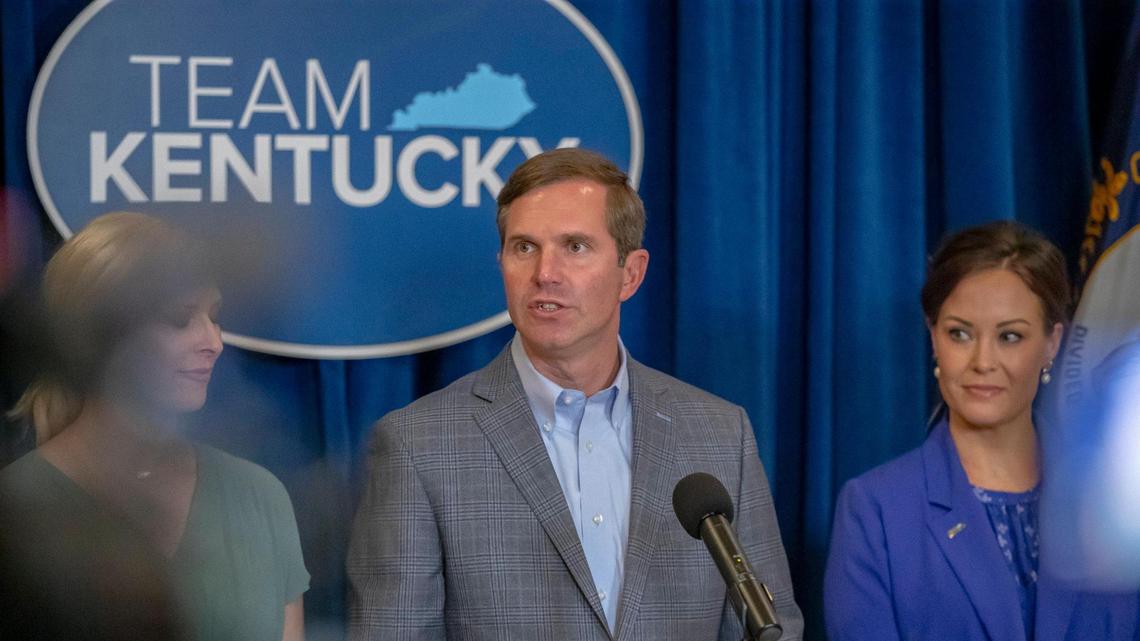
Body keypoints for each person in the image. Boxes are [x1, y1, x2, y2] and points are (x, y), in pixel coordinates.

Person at [347, 148, 803, 640]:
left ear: (631, 273)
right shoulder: (418, 445)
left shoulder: (719, 435)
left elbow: (769, 628)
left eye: (575, 247)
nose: (546, 273)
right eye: (524, 248)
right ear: (501, 263)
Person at [0, 212, 310, 641]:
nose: (214, 342)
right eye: (180, 319)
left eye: (215, 316)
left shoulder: (258, 497)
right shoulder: (19, 510)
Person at [823, 221, 1139, 640]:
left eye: (1010, 336)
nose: (982, 361)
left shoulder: (1118, 501)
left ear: (1052, 342)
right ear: (933, 337)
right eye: (960, 334)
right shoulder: (874, 510)